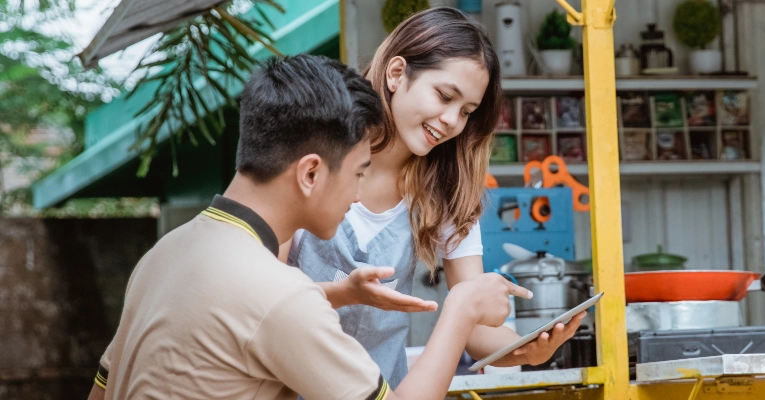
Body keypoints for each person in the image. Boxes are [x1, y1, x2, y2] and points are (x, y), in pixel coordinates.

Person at [87, 54, 529, 400]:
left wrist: (340, 293)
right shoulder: (283, 298)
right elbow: (272, 309)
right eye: (359, 172)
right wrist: (461, 309)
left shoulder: (165, 254)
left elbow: (103, 388)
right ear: (311, 174)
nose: (359, 195)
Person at [282, 7, 585, 388]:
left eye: (466, 112)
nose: (452, 121)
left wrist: (530, 349)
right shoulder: (311, 155)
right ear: (396, 74)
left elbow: (472, 327)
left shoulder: (445, 191)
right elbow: (263, 299)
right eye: (444, 96)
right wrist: (345, 293)